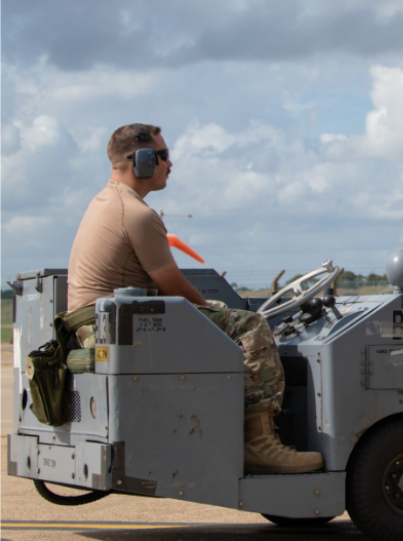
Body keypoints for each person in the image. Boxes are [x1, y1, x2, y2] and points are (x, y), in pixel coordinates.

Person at [64, 123, 322, 475]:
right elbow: (176, 288)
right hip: (118, 324)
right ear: (141, 160)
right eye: (164, 156)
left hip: (100, 320)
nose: (170, 164)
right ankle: (258, 443)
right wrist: (217, 320)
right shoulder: (137, 214)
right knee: (251, 325)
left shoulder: (106, 202)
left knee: (223, 316)